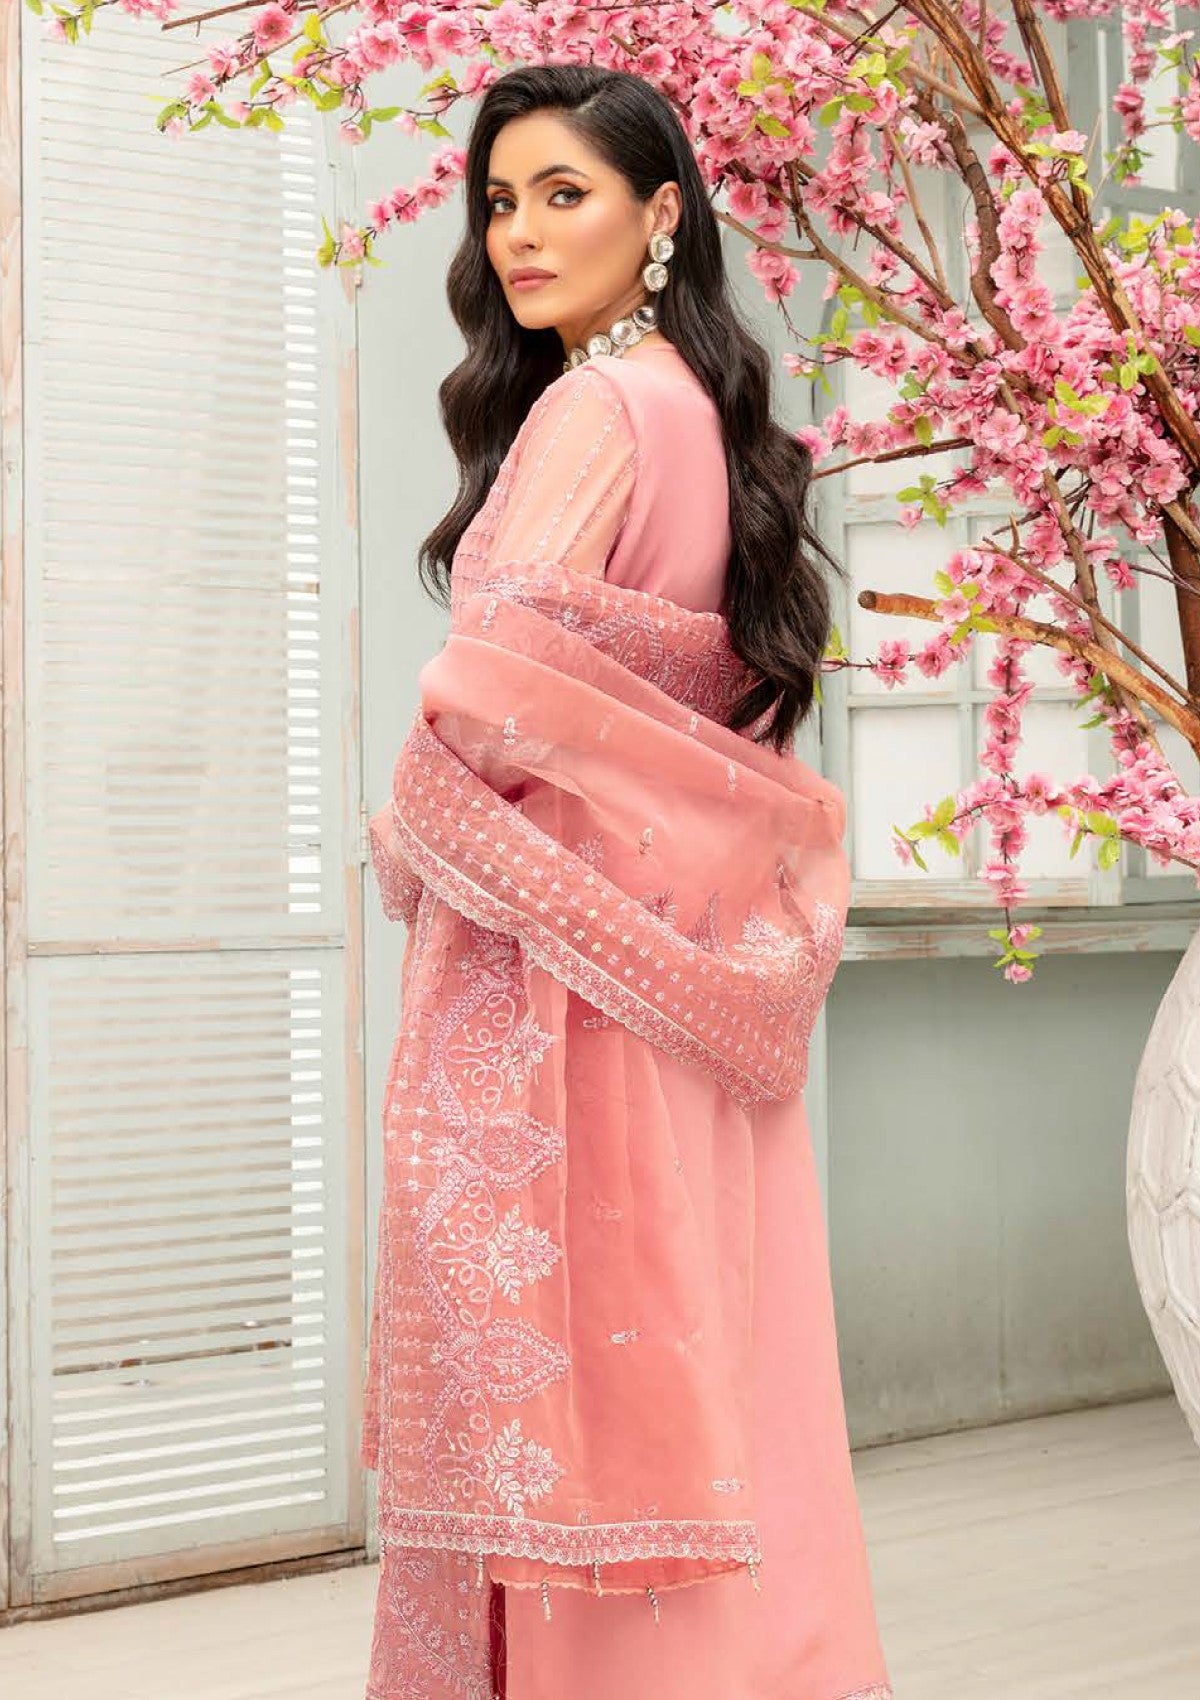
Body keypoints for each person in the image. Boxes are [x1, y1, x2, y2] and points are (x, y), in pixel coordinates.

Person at [360, 61, 893, 1700]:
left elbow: (492, 693)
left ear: (661, 214)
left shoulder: (592, 409)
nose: (520, 233)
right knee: (719, 1370)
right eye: (499, 201)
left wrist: (409, 820)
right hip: (685, 956)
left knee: (580, 1391)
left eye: (564, 194)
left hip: (565, 996)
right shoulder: (710, 420)